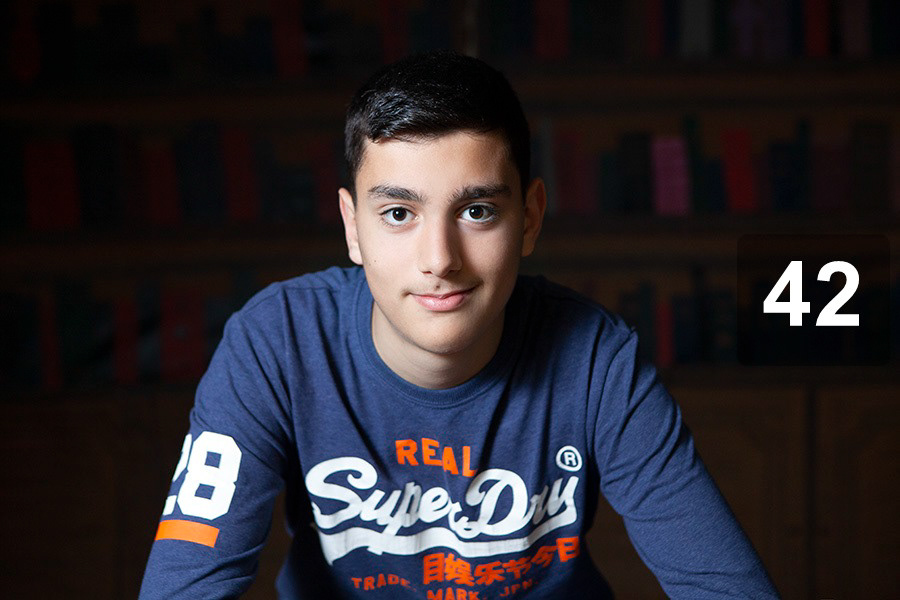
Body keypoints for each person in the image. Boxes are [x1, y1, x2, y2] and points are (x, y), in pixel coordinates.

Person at [139, 51, 778, 599]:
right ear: (352, 227)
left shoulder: (595, 359)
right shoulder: (275, 344)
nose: (440, 259)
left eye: (476, 211)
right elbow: (186, 586)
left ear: (529, 218)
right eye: (398, 213)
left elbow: (726, 588)